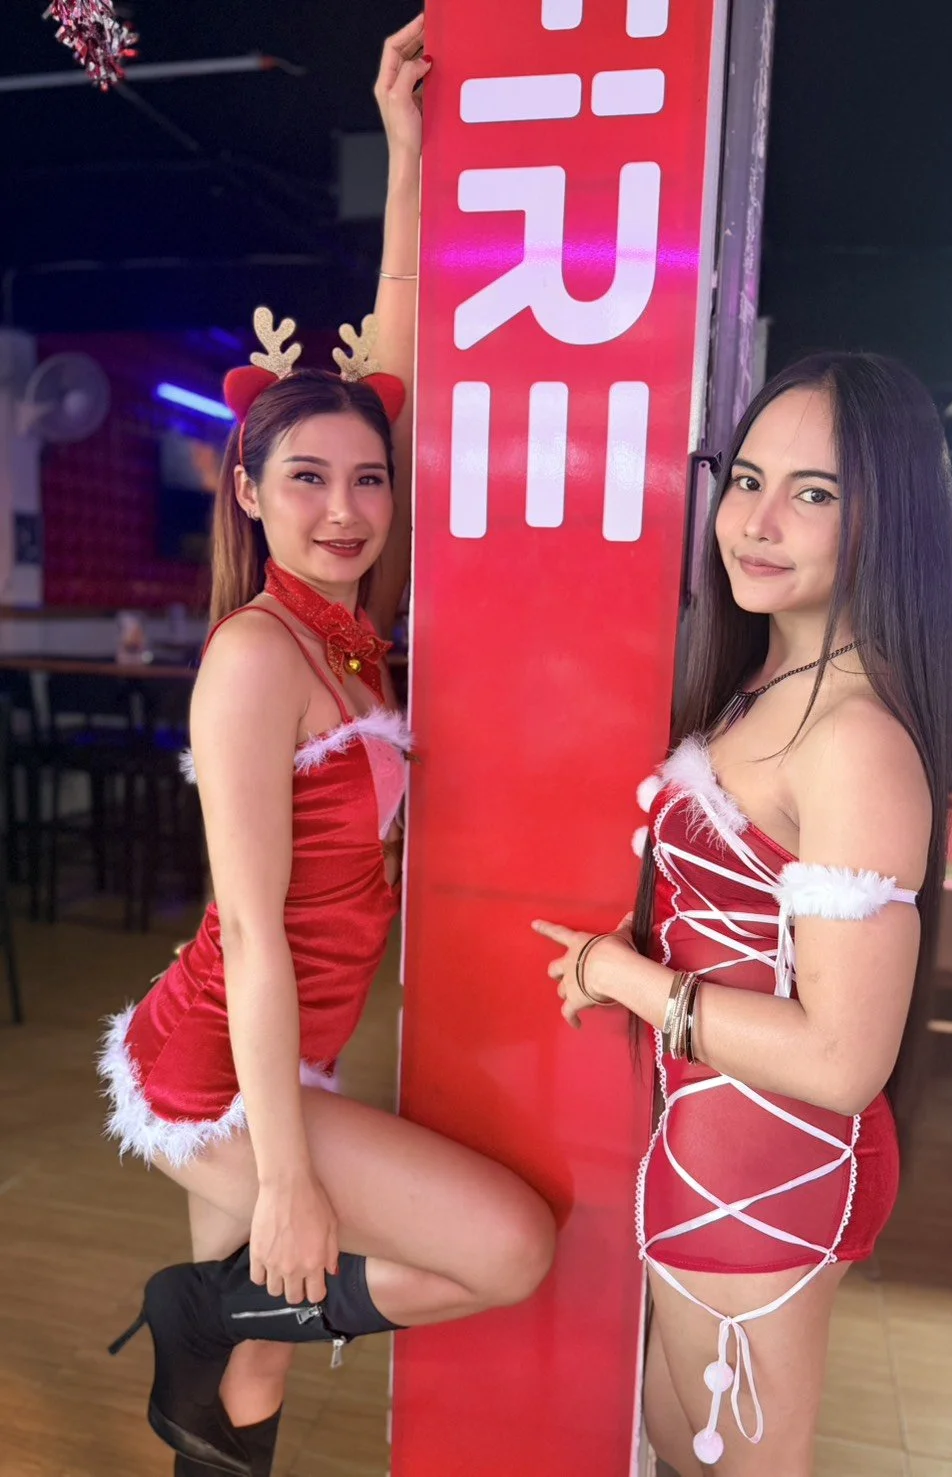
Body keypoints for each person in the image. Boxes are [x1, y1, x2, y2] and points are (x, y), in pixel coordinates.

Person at [99, 19, 555, 1477]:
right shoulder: (253, 659)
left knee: (239, 1387)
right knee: (509, 1248)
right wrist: (291, 1170)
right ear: (247, 487)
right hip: (223, 1063)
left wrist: (411, 156)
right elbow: (246, 926)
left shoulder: (348, 633)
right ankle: (207, 1297)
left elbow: (401, 336)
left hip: (284, 1043)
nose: (348, 507)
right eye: (306, 478)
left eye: (369, 476)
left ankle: (211, 1320)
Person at [534, 352, 952, 1476]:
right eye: (749, 480)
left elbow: (838, 1058)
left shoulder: (856, 741)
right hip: (703, 1165)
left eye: (812, 494)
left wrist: (625, 979)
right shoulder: (763, 686)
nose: (757, 522)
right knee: (682, 1451)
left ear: (887, 518)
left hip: (764, 1179)